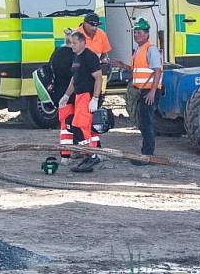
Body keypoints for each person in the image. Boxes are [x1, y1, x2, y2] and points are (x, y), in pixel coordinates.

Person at [112, 18, 163, 166]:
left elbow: (157, 71)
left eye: (139, 32)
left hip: (149, 91)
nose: (136, 35)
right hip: (142, 90)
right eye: (135, 32)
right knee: (143, 121)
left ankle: (147, 155)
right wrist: (122, 65)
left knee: (146, 122)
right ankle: (146, 153)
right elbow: (137, 71)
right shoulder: (140, 50)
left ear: (147, 34)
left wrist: (152, 92)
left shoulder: (150, 49)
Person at [60, 31, 103, 173]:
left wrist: (95, 98)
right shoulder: (77, 57)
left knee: (83, 126)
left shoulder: (89, 57)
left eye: (75, 43)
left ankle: (92, 155)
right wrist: (66, 95)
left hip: (87, 95)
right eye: (71, 43)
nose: (73, 45)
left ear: (83, 42)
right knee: (77, 125)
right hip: (79, 95)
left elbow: (98, 78)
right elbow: (74, 78)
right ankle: (87, 154)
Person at [51, 28, 78, 164]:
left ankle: (65, 156)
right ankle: (86, 152)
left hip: (60, 95)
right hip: (75, 95)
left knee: (65, 127)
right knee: (81, 124)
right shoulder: (75, 56)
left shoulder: (56, 53)